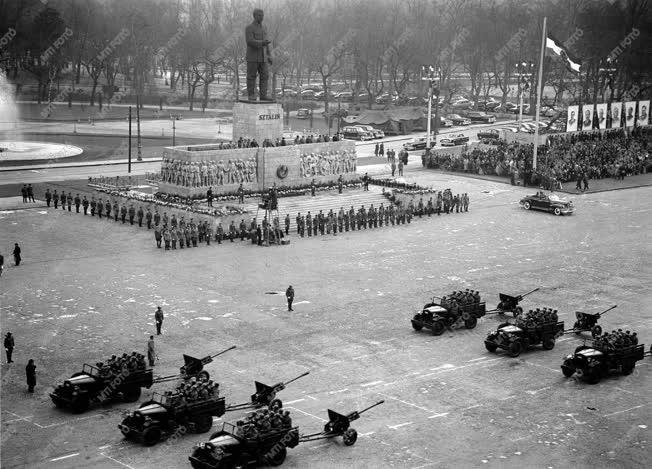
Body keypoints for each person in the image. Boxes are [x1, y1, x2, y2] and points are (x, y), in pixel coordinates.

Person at [245, 8, 272, 101]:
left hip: (263, 57)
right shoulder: (249, 28)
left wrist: (269, 56)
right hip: (252, 57)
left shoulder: (265, 28)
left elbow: (266, 43)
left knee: (265, 76)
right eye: (260, 15)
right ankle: (251, 95)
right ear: (255, 16)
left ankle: (263, 95)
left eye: (263, 15)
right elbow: (250, 41)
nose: (262, 17)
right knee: (251, 76)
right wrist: (262, 43)